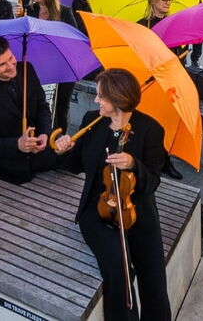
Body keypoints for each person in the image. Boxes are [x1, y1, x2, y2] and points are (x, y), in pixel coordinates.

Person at [54, 69, 174, 321]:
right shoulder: (91, 121)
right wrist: (64, 150)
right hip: (97, 212)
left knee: (153, 277)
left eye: (101, 96)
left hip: (137, 208)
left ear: (118, 99)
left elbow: (152, 181)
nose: (96, 100)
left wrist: (133, 164)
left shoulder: (151, 130)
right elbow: (75, 165)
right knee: (118, 271)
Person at [0, 36, 58, 184]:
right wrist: (17, 144)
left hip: (44, 157)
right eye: (2, 64)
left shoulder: (27, 69)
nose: (11, 66)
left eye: (10, 58)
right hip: (8, 169)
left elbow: (42, 106)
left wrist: (44, 133)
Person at [26, 0, 82, 128]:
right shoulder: (29, 10)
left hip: (62, 67)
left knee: (60, 108)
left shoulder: (64, 12)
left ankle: (59, 143)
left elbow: (74, 40)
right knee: (38, 106)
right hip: (36, 66)